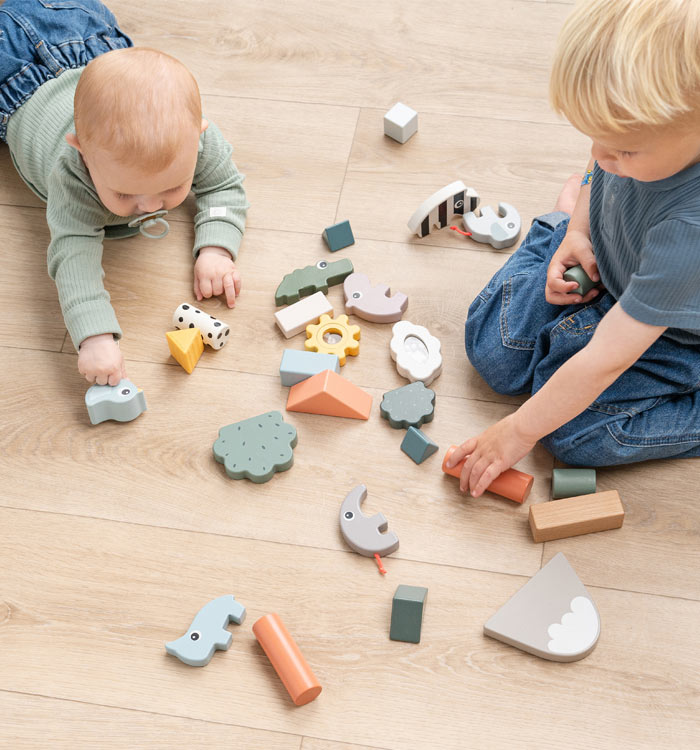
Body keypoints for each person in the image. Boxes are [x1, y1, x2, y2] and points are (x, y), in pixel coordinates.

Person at [447, 0, 700, 496]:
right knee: (493, 352)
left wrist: (517, 432)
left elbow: (609, 356)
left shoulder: (688, 232)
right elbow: (600, 162)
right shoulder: (637, 139)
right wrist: (577, 230)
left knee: (571, 433)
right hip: (609, 264)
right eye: (593, 136)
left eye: (623, 149)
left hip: (673, 336)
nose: (602, 157)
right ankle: (556, 224)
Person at [0, 0, 248, 386]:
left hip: (81, 33)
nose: (149, 206)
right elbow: (74, 253)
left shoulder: (194, 139)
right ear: (82, 152)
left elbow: (223, 185)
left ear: (198, 134)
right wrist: (94, 335)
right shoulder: (72, 175)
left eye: (171, 187)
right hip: (11, 78)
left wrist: (216, 248)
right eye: (124, 193)